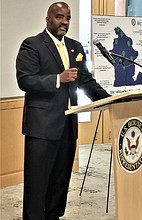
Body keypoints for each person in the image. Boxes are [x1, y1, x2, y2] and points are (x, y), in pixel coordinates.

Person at [16, 2, 110, 220]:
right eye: (59, 17)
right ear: (48, 19)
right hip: (41, 127)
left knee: (60, 181)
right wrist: (57, 79)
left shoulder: (75, 47)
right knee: (37, 183)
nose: (64, 22)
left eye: (67, 18)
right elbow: (25, 80)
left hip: (68, 126)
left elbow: (86, 81)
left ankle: (54, 216)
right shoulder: (32, 45)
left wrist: (110, 100)